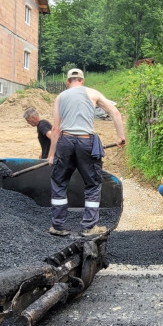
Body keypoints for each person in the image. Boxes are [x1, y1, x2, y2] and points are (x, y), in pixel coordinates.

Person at [48, 68, 125, 237]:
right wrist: (120, 137)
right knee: (92, 183)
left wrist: (52, 154)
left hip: (66, 141)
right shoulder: (92, 93)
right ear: (82, 80)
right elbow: (115, 112)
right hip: (86, 142)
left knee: (59, 182)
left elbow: (55, 129)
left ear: (68, 82)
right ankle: (89, 227)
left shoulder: (60, 97)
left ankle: (58, 226)